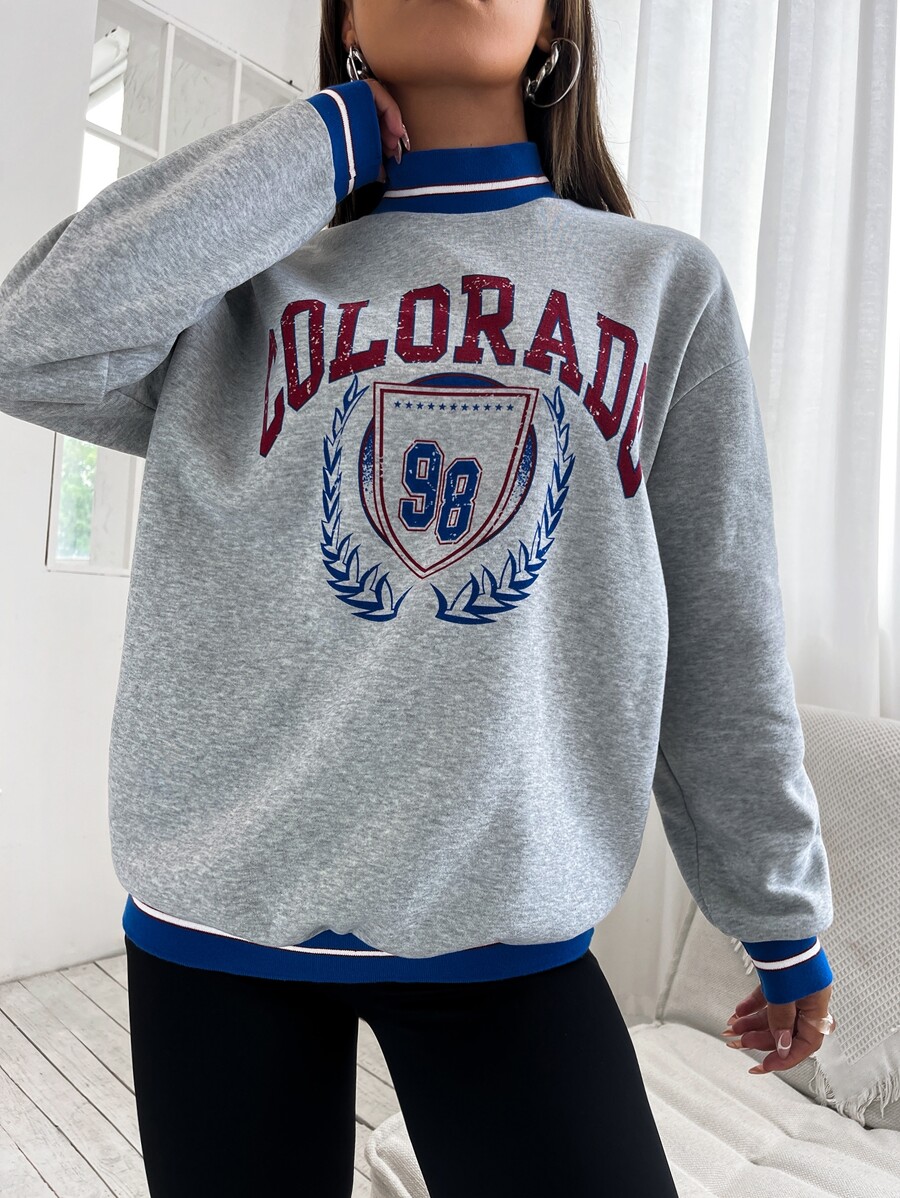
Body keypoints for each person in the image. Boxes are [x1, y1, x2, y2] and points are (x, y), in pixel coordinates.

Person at [0, 0, 837, 1194]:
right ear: (344, 19)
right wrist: (313, 145)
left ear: (557, 26)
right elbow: (25, 343)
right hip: (220, 920)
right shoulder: (230, 284)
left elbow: (719, 628)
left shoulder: (660, 285)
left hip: (507, 929)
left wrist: (778, 909)